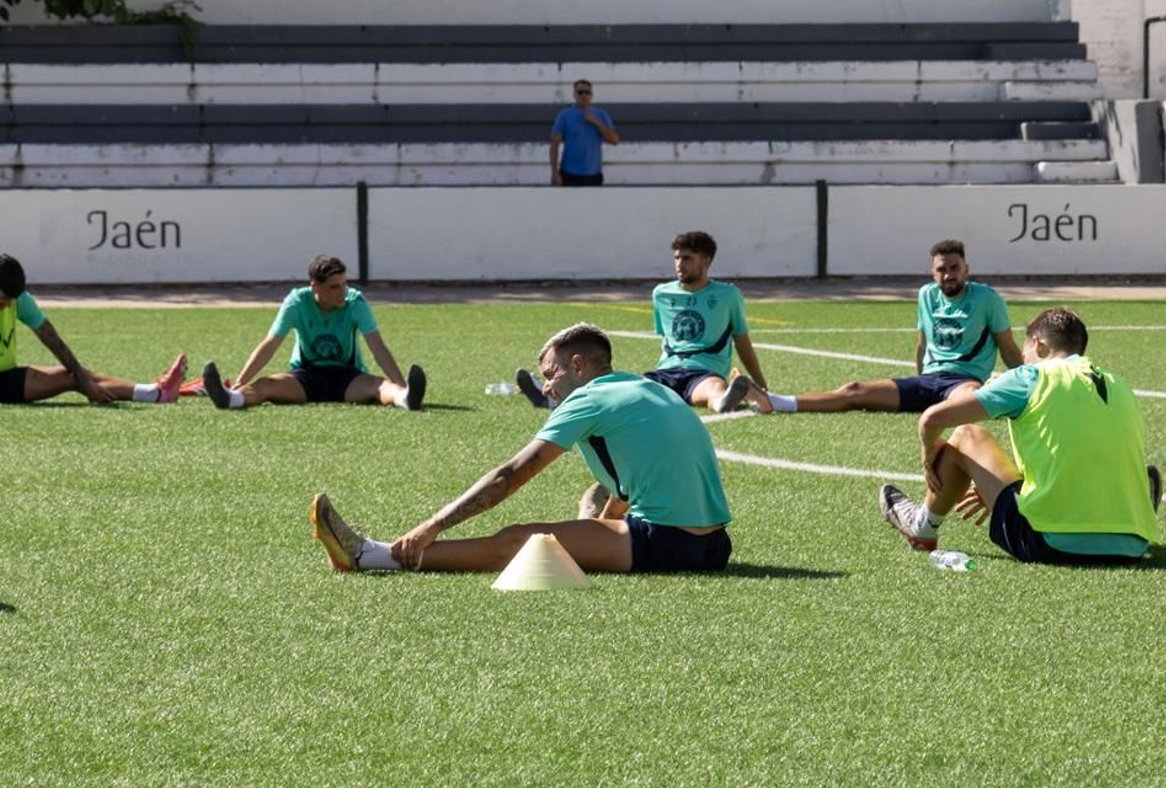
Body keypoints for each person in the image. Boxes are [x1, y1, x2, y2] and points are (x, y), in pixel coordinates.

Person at [312, 323, 733, 574]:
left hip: (668, 544)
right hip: (715, 546)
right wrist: (595, 527)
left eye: (551, 374)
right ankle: (377, 554)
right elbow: (633, 487)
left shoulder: (587, 400)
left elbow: (510, 475)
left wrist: (432, 526)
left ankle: (373, 556)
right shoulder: (643, 387)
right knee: (577, 523)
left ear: (579, 366)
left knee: (517, 541)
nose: (547, 386)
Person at [877, 307, 1159, 564]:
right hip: (1133, 545)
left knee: (967, 434)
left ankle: (922, 526)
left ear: (1038, 344)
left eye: (1025, 353)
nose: (1023, 361)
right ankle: (1130, 511)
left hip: (1049, 542)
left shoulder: (1029, 376)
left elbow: (931, 419)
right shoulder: (1120, 385)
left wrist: (928, 457)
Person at [519, 230, 772, 415]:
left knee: (712, 390)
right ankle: (554, 398)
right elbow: (667, 342)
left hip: (705, 370)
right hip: (665, 371)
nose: (679, 265)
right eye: (677, 258)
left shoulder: (728, 295)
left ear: (706, 261)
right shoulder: (661, 294)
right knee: (622, 389)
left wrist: (761, 382)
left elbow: (742, 340)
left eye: (687, 258)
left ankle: (724, 402)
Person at [764, 239, 1022, 414]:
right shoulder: (926, 295)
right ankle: (777, 401)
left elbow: (1009, 350)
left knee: (969, 402)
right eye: (941, 269)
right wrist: (920, 380)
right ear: (933, 273)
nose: (948, 275)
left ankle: (998, 392)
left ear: (967, 269)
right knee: (855, 390)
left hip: (964, 382)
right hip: (928, 380)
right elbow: (923, 345)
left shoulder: (988, 298)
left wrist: (1029, 385)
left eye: (955, 268)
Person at [200, 254, 426, 411]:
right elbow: (270, 344)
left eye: (344, 284)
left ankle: (405, 399)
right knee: (266, 385)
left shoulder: (355, 303)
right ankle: (230, 398)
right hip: (305, 378)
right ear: (315, 287)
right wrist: (240, 382)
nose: (342, 292)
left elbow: (378, 348)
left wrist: (400, 383)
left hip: (347, 378)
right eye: (334, 287)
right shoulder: (297, 302)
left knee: (379, 386)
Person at [0, 253, 185, 406]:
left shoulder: (19, 299)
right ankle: (156, 393)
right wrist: (82, 382)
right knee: (73, 379)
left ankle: (156, 391)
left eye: (11, 300)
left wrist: (83, 379)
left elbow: (51, 339)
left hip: (7, 374)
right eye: (3, 299)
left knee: (77, 373)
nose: (8, 305)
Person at [549, 79, 619, 187]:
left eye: (587, 92)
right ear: (574, 95)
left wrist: (596, 122)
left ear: (592, 95)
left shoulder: (601, 114)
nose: (584, 95)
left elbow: (615, 140)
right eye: (580, 92)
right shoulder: (564, 115)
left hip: (594, 175)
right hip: (569, 174)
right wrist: (554, 173)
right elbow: (554, 145)